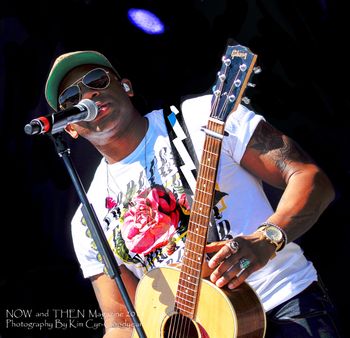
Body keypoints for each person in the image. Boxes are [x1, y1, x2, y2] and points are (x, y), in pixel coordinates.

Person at [43, 50, 341, 338]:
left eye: (97, 80)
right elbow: (122, 324)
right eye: (71, 98)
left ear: (126, 87)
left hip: (280, 305)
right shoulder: (87, 218)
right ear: (68, 128)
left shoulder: (204, 117)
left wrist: (266, 239)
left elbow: (310, 178)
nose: (87, 96)